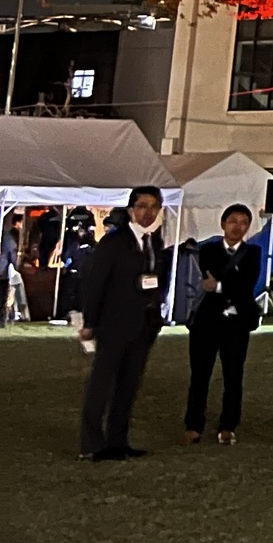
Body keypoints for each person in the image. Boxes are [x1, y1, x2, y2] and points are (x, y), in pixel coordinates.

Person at [77, 187, 170, 460]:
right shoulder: (114, 243)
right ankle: (92, 444)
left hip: (144, 324)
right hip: (114, 324)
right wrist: (89, 322)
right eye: (142, 206)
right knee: (101, 385)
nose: (147, 212)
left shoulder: (154, 243)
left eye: (153, 206)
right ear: (131, 210)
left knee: (128, 385)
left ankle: (118, 441)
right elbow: (95, 284)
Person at [182, 203, 262, 445]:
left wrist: (219, 286)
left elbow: (246, 285)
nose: (237, 227)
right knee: (199, 375)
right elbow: (223, 280)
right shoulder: (206, 250)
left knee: (233, 375)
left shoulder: (254, 253)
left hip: (236, 323)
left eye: (243, 222)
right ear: (223, 224)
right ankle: (194, 425)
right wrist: (231, 284)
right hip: (206, 322)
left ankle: (229, 425)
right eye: (233, 221)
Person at [2, 213, 26, 326]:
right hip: (2, 271)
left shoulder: (8, 237)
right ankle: (13, 314)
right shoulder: (7, 238)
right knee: (4, 295)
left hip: (3, 269)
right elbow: (12, 255)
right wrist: (15, 265)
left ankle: (13, 313)